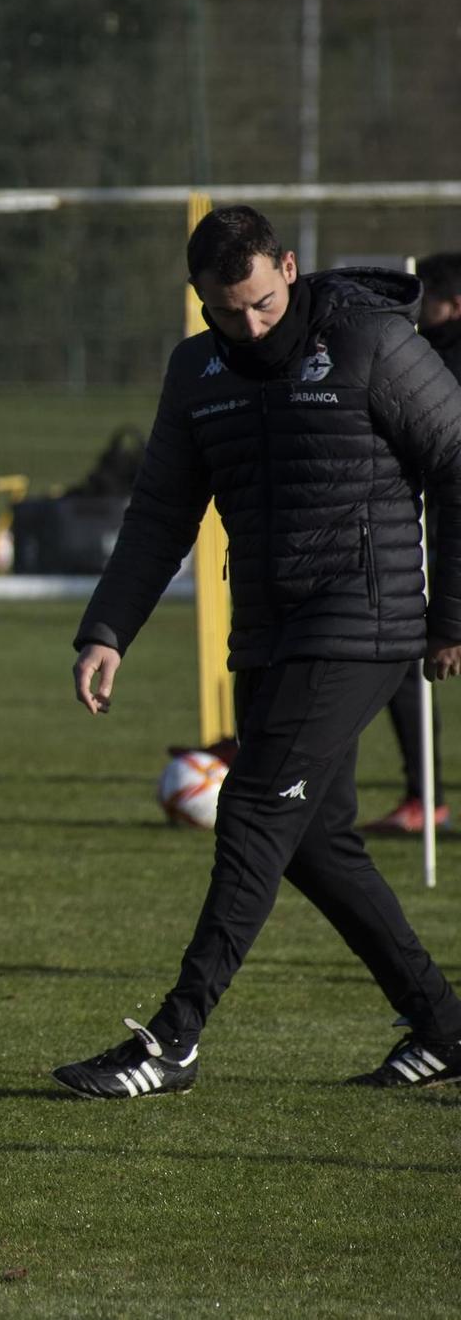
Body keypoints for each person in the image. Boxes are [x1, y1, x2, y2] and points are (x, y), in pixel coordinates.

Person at [61, 205, 461, 1097]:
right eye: (226, 311)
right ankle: (442, 1022)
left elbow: (457, 458)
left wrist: (451, 616)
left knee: (249, 811)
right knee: (315, 839)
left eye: (264, 305)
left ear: (288, 267)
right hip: (270, 631)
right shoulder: (198, 370)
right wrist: (107, 629)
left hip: (365, 616)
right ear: (199, 298)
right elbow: (162, 509)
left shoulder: (369, 342)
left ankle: (174, 1038)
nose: (249, 326)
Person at [362, 250, 461, 833]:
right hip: (434, 530)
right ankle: (424, 797)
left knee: (408, 667)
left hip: (444, 531)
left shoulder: (432, 362)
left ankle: (426, 796)